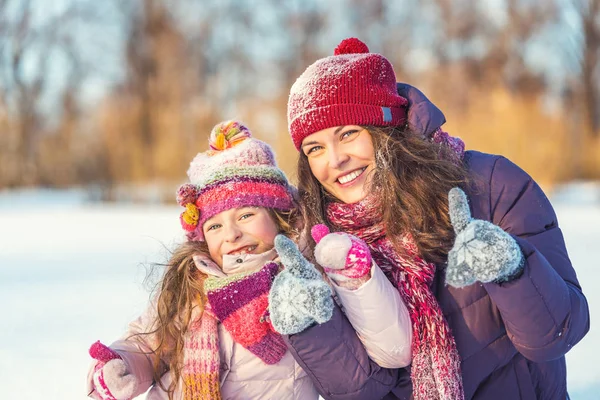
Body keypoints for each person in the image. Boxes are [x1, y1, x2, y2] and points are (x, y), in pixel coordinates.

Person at [279, 37, 590, 400]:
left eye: (348, 134)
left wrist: (511, 269)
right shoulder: (320, 241)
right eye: (315, 148)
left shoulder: (490, 184)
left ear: (386, 131)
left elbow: (557, 333)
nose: (335, 160)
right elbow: (362, 388)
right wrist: (310, 326)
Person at [85, 120, 412, 400]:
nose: (231, 234)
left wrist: (357, 279)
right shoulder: (192, 282)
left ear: (280, 217)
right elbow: (150, 344)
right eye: (215, 225)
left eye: (246, 215)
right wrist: (122, 364)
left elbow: (390, 348)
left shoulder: (306, 279)